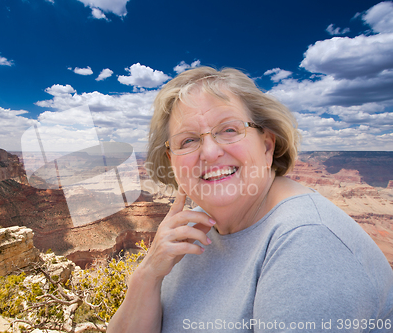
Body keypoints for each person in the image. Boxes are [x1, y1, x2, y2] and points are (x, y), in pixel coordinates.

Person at [108, 67, 393, 332]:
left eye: (229, 130)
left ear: (267, 145)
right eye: (188, 140)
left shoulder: (306, 241)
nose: (209, 152)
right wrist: (147, 275)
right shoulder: (191, 232)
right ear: (172, 161)